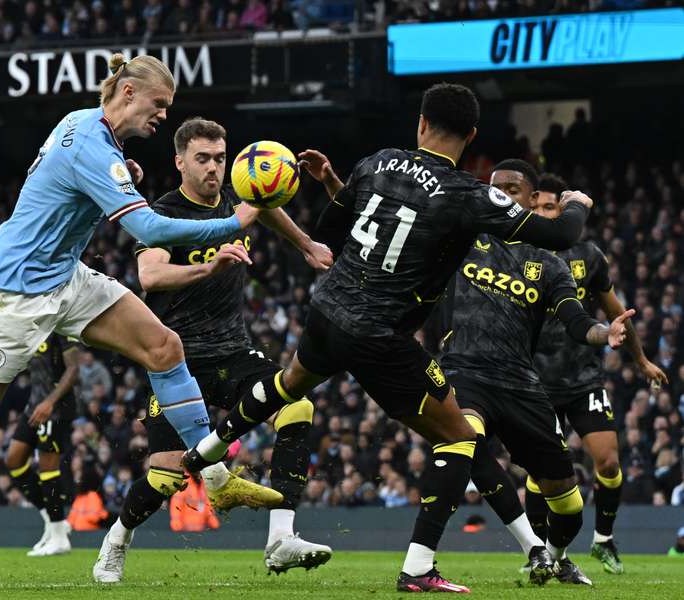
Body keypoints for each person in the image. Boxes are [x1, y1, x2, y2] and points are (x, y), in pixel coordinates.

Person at [0, 53, 279, 585]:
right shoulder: (91, 143)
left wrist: (119, 175)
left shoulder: (84, 125)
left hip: (64, 277)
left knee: (165, 347)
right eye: (159, 105)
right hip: (17, 293)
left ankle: (217, 475)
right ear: (130, 93)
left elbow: (64, 181)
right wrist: (235, 221)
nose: (162, 117)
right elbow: (153, 232)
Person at [183, 83, 594, 593]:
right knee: (460, 437)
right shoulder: (466, 192)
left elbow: (332, 230)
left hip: (328, 310)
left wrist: (333, 181)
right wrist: (577, 204)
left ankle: (204, 452)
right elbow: (560, 235)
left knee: (290, 383)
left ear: (421, 123)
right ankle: (419, 568)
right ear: (470, 135)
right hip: (379, 335)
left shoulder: (378, 162)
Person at [93, 118, 333, 583]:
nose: (213, 168)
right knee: (166, 475)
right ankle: (116, 539)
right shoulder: (163, 212)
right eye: (202, 159)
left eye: (220, 158)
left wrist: (305, 244)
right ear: (180, 161)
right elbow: (151, 277)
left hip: (233, 351)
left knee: (297, 405)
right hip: (176, 359)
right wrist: (211, 265)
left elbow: (262, 208)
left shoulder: (232, 201)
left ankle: (281, 539)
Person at [439, 159, 632, 587]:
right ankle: (529, 550)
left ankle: (575, 549)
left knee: (583, 482)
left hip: (552, 381)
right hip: (494, 375)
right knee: (471, 446)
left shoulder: (562, 262)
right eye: (497, 188)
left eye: (514, 189)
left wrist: (614, 338)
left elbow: (586, 322)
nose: (503, 195)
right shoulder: (473, 239)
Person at [527, 172, 669, 575]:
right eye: (535, 208)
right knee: (543, 475)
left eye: (549, 207)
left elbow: (615, 313)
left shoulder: (587, 256)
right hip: (535, 382)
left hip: (583, 378)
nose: (541, 214)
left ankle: (603, 540)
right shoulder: (517, 253)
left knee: (607, 462)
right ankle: (539, 553)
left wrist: (640, 361)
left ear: (563, 210)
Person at [4, 333, 82, 556]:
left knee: (48, 468)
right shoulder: (33, 326)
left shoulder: (62, 326)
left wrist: (50, 402)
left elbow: (73, 368)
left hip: (56, 408)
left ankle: (59, 538)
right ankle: (53, 521)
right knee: (14, 461)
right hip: (34, 404)